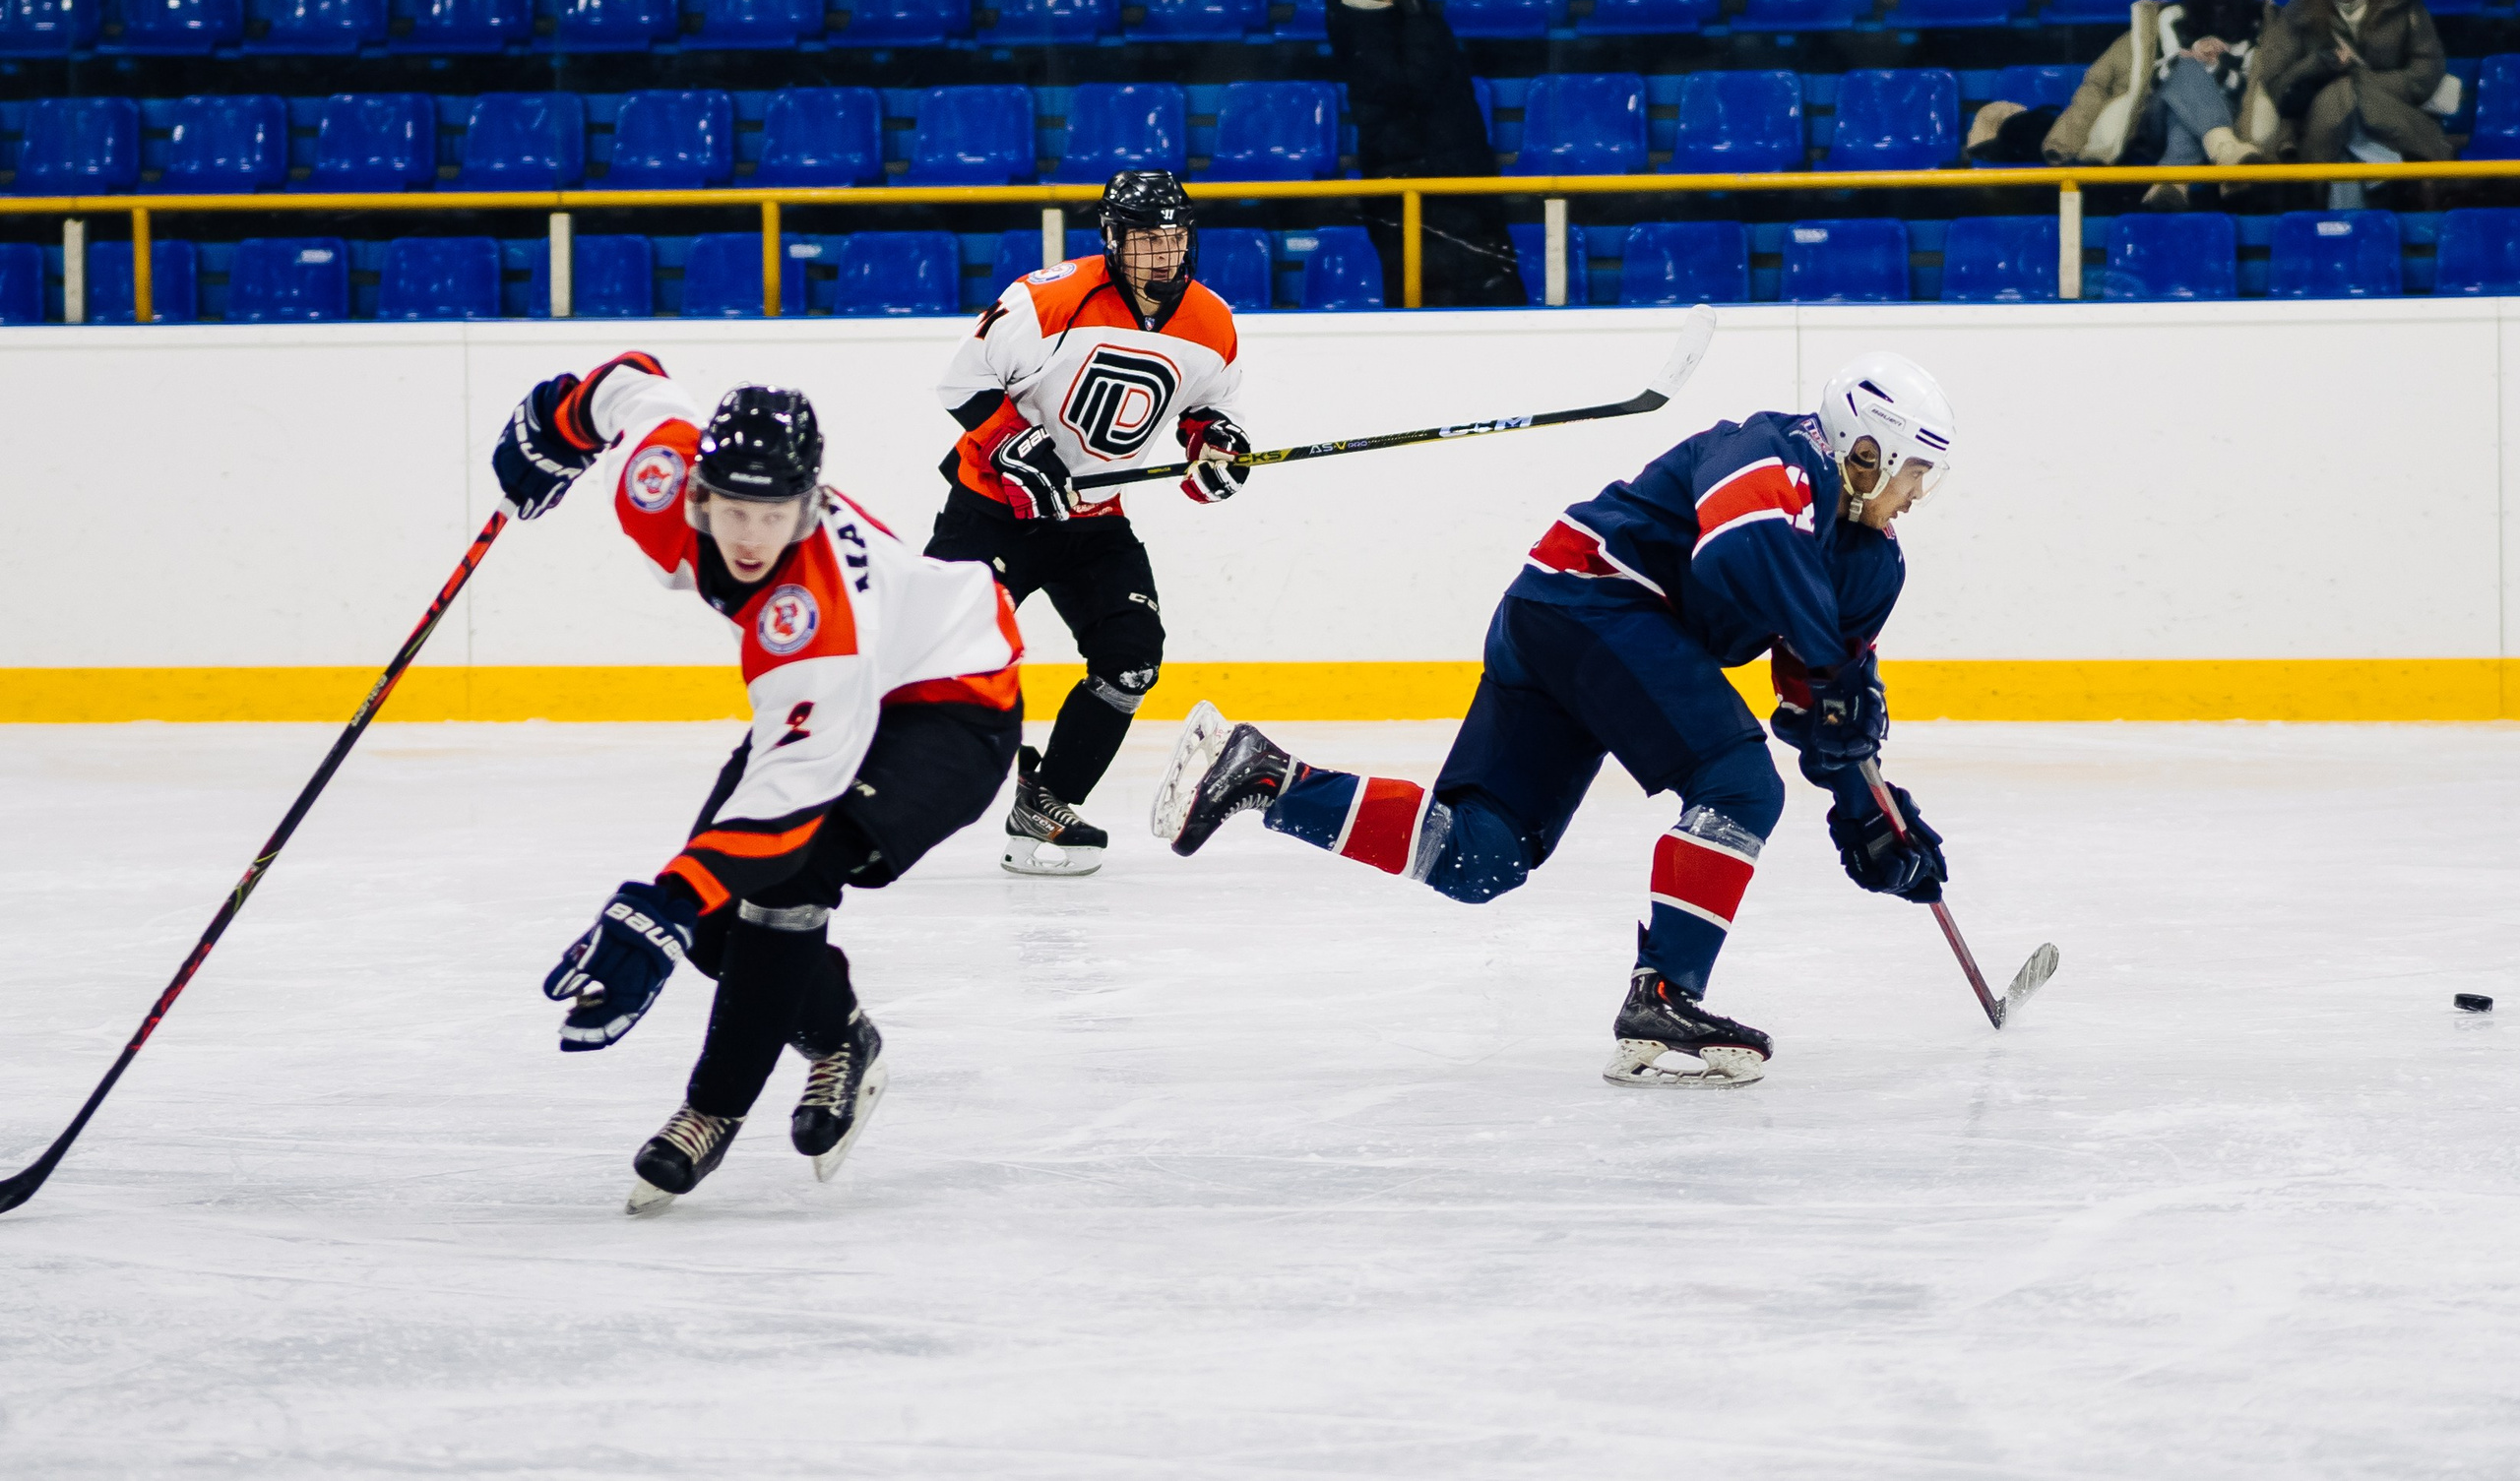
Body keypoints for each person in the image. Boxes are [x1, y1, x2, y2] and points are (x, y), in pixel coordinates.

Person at [1150, 354, 1958, 1089]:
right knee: (1741, 784)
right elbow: (1738, 551)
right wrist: (1835, 676)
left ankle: (1262, 774)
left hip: (1580, 620)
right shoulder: (1771, 453)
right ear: (1864, 451)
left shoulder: (1872, 559)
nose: (1917, 493)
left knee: (1478, 855)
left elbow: (1821, 706)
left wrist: (1871, 815)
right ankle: (1666, 993)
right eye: (1912, 470)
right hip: (1588, 601)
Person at [491, 353, 1025, 1213]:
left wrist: (666, 899)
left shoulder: (820, 618)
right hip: (848, 697)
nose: (748, 537)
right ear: (696, 491)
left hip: (952, 708)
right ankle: (842, 1034)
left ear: (810, 507)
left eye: (774, 515)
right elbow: (635, 384)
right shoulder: (662, 482)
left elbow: (786, 808)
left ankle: (708, 1111)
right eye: (734, 509)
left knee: (786, 878)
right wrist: (563, 420)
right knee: (709, 931)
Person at [925, 168, 1251, 876]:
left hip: (1094, 521)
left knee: (1131, 661)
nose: (1163, 256)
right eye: (1146, 241)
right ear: (1111, 239)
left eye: (1174, 239)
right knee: (931, 658)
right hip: (993, 511)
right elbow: (961, 385)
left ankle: (1045, 806)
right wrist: (1015, 440)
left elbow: (1200, 412)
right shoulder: (1047, 300)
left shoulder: (1213, 323)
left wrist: (1215, 448)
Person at [1974, 0, 2282, 212]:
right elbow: (2100, 82)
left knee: (2187, 111)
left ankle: (2171, 181)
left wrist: (2221, 61)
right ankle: (2227, 153)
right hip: (2154, 123)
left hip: (2228, 117)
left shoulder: (2262, 26)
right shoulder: (2166, 19)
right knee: (2185, 67)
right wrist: (2064, 141)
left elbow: (2265, 85)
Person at [1327, 0, 1528, 309]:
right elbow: (1409, 88)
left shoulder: (1423, 20)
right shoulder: (1366, 25)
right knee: (1422, 295)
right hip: (1409, 186)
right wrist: (1418, 20)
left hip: (1457, 181)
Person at [2257, 0, 2450, 169]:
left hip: (2391, 114)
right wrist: (2317, 64)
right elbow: (2275, 81)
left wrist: (2360, 83)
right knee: (2338, 97)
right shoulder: (2299, 11)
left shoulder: (2403, 4)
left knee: (2345, 92)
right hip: (2316, 125)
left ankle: (2311, 193)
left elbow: (2426, 72)